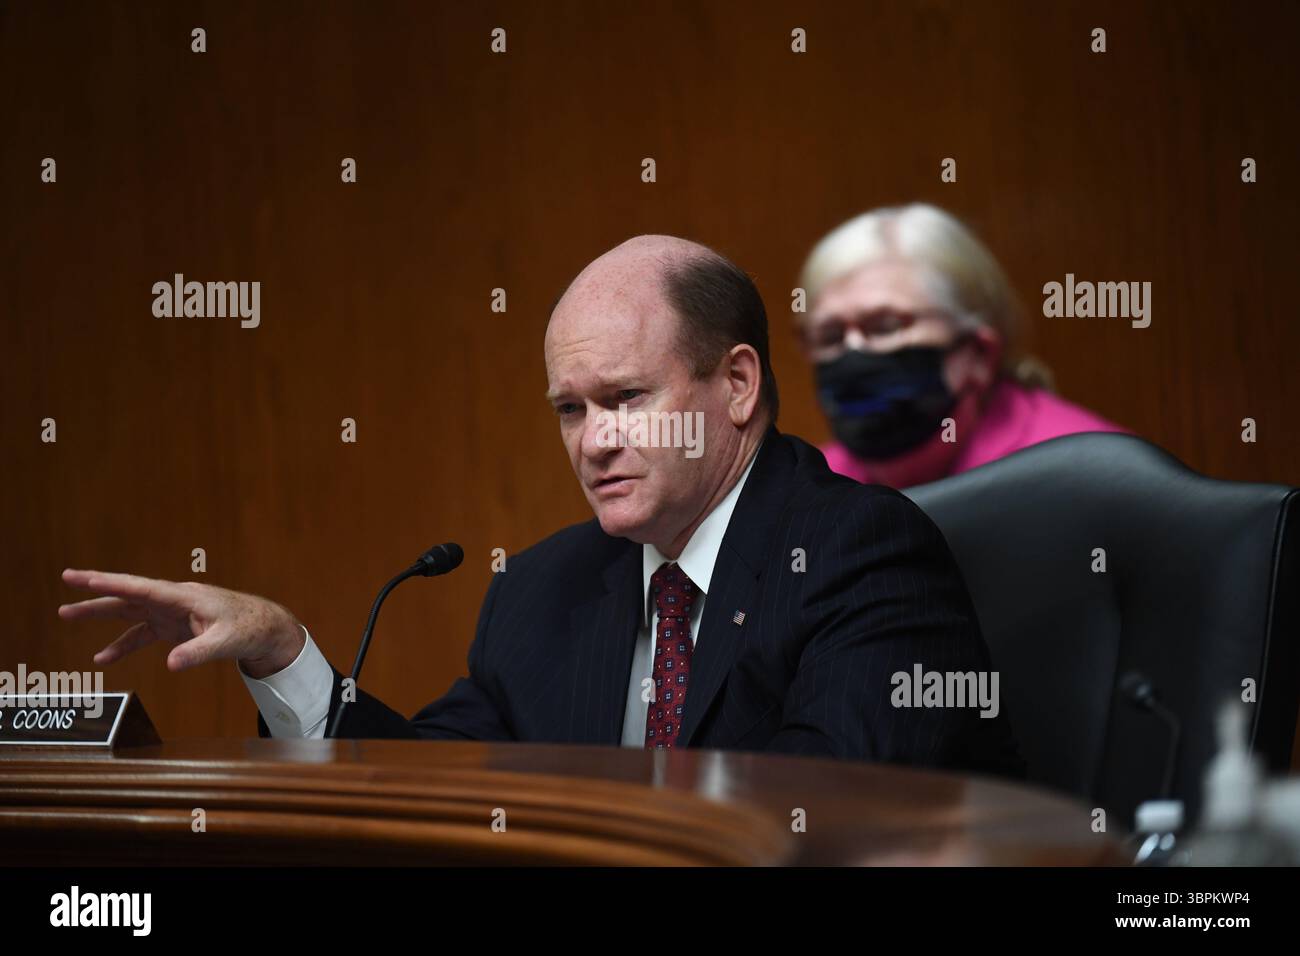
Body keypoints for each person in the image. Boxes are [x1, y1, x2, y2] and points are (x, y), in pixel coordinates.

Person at [59, 235, 1022, 775]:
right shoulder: (549, 587)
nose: (593, 439)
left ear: (736, 385)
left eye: (626, 399)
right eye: (571, 409)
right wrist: (282, 650)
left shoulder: (864, 554)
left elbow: (825, 817)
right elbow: (423, 794)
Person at [799, 204, 1126, 488]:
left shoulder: (1086, 474)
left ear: (978, 354)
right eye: (830, 336)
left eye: (886, 327)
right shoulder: (812, 485)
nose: (853, 352)